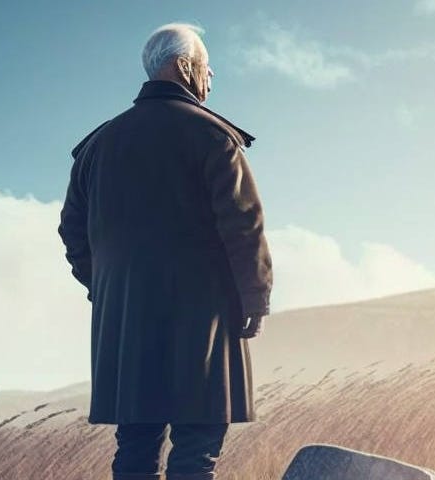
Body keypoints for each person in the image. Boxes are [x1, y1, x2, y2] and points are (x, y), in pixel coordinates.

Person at [57, 23, 273, 480]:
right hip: (204, 322)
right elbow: (243, 226)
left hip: (126, 323)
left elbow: (72, 230)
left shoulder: (98, 145)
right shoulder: (213, 136)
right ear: (183, 67)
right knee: (197, 450)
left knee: (135, 449)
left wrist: (106, 287)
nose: (211, 77)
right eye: (206, 66)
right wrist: (254, 299)